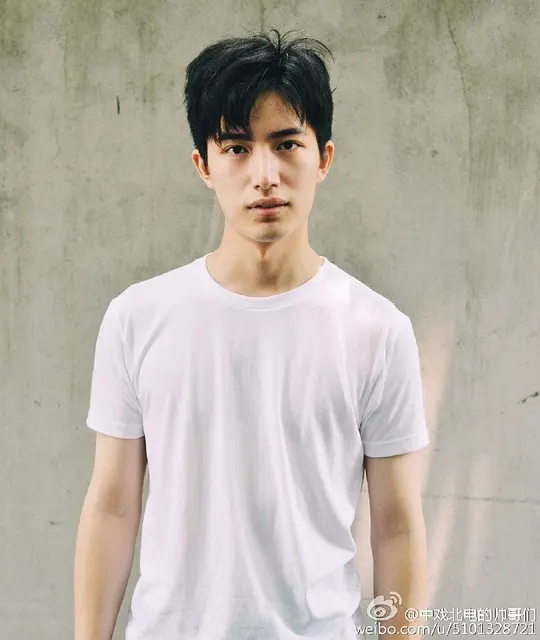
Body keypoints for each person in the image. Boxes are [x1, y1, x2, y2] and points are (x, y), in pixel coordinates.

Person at [74, 28, 429, 640]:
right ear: (204, 166)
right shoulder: (138, 318)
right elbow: (112, 506)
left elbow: (396, 525)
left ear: (323, 158)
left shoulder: (377, 330)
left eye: (286, 144)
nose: (265, 175)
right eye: (236, 148)